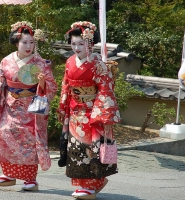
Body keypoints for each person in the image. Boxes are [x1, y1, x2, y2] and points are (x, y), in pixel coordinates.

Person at [0, 21, 57, 191]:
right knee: (2, 134)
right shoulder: (6, 61)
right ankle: (8, 173)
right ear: (16, 43)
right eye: (24, 42)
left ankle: (30, 178)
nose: (29, 46)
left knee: (28, 140)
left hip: (31, 109)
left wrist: (42, 83)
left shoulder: (41, 63)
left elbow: (52, 86)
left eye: (32, 42)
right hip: (11, 107)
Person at [57, 21, 121, 199]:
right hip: (75, 111)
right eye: (73, 43)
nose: (76, 47)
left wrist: (101, 113)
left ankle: (93, 185)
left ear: (90, 44)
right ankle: (82, 184)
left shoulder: (98, 64)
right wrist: (63, 107)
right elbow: (65, 86)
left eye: (81, 44)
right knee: (75, 149)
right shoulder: (70, 62)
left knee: (92, 149)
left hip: (93, 112)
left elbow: (105, 89)